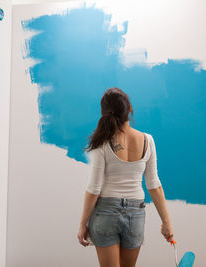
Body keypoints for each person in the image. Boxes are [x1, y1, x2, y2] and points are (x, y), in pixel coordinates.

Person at [77, 87, 174, 267]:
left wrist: (83, 224)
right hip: (135, 214)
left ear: (104, 113)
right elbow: (154, 185)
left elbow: (94, 188)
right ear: (129, 109)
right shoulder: (148, 140)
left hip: (105, 213)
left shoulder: (102, 142)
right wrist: (167, 223)